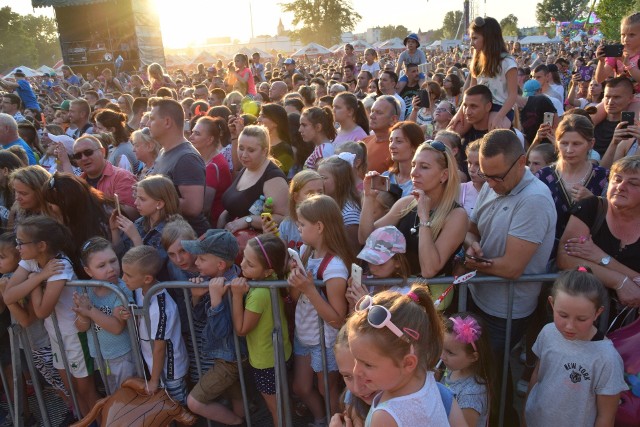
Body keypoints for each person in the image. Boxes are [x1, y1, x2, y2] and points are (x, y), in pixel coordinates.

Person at [464, 129, 556, 424]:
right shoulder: (495, 181)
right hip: (481, 295)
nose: (489, 183)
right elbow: (472, 229)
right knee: (488, 375)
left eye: (496, 177)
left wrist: (473, 264)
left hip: (507, 309)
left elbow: (511, 268)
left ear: (522, 162)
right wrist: (472, 246)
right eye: (484, 175)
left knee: (491, 376)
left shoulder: (535, 200)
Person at [4, 216, 99, 418]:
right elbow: (8, 295)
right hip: (56, 335)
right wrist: (38, 277)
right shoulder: (31, 262)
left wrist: (34, 282)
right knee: (72, 391)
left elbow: (41, 311)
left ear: (41, 245)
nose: (17, 246)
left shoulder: (60, 266)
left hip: (75, 335)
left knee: (86, 391)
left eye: (21, 242)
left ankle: (101, 422)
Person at [524, 269, 627, 427]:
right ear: (552, 303)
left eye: (581, 319)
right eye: (563, 315)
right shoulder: (548, 332)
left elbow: (606, 417)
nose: (570, 326)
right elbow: (538, 374)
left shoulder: (607, 358)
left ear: (597, 313)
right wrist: (526, 415)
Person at [288, 195, 355, 425]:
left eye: (302, 224)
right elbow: (296, 297)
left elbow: (338, 319)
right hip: (304, 334)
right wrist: (296, 281)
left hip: (325, 340)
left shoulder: (335, 266)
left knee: (327, 388)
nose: (298, 227)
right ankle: (321, 419)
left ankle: (341, 422)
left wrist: (309, 290)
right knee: (300, 386)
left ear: (319, 227)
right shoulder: (306, 251)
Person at [348, 286, 453, 426]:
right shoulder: (430, 383)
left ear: (408, 363)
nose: (356, 371)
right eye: (356, 359)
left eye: (368, 364)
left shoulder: (384, 418)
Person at [361, 141, 467, 278]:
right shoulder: (406, 203)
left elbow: (429, 270)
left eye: (424, 167)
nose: (414, 173)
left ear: (444, 175)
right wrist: (368, 198)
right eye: (413, 165)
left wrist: (424, 218)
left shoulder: (456, 215)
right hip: (398, 292)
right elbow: (366, 238)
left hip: (430, 296)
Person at [181, 229, 245, 426]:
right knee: (237, 397)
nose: (195, 262)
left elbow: (222, 331)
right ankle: (242, 418)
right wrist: (196, 296)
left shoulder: (231, 286)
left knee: (194, 402)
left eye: (201, 258)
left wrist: (216, 299)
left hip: (229, 360)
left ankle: (236, 422)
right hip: (223, 356)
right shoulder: (213, 280)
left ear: (220, 265)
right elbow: (199, 318)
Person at [557, 156, 640, 307]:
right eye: (617, 179)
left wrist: (600, 257)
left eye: (633, 183)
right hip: (580, 313)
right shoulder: (591, 208)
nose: (621, 186)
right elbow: (565, 259)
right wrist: (620, 282)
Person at [229, 234, 292, 425]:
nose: (243, 265)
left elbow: (241, 329)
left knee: (276, 409)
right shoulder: (272, 278)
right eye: (244, 258)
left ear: (267, 271)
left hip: (266, 361)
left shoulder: (259, 295)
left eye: (250, 264)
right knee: (281, 404)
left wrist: (237, 296)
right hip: (278, 354)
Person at [121, 245, 188, 403]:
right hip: (155, 367)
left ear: (147, 279)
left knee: (177, 407)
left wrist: (154, 380)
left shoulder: (161, 309)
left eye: (128, 275)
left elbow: (159, 348)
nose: (123, 279)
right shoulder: (140, 290)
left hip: (170, 371)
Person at [535, 115, 609, 251]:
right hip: (547, 252)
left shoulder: (603, 177)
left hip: (589, 253)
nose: (569, 150)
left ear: (591, 144)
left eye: (576, 144)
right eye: (564, 143)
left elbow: (614, 219)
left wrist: (595, 202)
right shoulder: (543, 176)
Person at [73, 237, 135, 392]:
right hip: (100, 357)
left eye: (113, 261)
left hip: (122, 356)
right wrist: (83, 316)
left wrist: (90, 311)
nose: (111, 268)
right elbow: (81, 327)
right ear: (88, 271)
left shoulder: (121, 290)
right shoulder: (85, 290)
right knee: (113, 396)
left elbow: (116, 327)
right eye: (101, 266)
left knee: (128, 395)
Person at [147, 98, 210, 235]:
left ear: (167, 122)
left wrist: (152, 198)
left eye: (152, 119)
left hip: (185, 242)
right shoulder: (164, 150)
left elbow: (193, 207)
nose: (147, 124)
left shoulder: (187, 158)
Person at [220, 125, 288, 232]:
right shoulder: (247, 167)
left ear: (264, 151)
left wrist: (248, 220)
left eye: (251, 150)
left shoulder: (274, 178)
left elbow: (282, 219)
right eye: (241, 148)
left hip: (253, 244)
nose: (244, 155)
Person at [462, 17, 517, 131]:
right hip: (478, 105)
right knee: (456, 128)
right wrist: (459, 114)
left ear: (488, 38)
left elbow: (512, 95)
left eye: (475, 38)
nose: (471, 43)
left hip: (500, 107)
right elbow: (472, 90)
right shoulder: (477, 61)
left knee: (493, 131)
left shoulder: (507, 62)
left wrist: (499, 116)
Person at [64, 134, 137, 217]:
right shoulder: (78, 183)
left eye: (88, 152)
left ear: (102, 152)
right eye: (78, 156)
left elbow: (132, 213)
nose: (83, 158)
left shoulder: (122, 177)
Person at [441, 313, 493, 427]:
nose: (442, 356)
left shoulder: (471, 396)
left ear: (473, 357)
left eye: (450, 352)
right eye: (442, 348)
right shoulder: (454, 366)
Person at [188, 116, 232, 226]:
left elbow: (204, 208)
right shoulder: (210, 158)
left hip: (213, 226)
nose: (190, 137)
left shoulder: (213, 166)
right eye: (192, 132)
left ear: (210, 140)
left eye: (197, 134)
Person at [317, 156, 362, 252]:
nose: (319, 182)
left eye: (323, 178)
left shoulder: (350, 213)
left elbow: (353, 254)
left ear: (340, 181)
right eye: (318, 177)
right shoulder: (325, 204)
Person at [275, 169, 324, 252]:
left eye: (320, 192)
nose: (316, 197)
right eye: (310, 193)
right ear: (296, 197)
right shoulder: (287, 226)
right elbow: (281, 257)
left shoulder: (327, 223)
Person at [594, 12, 640, 93]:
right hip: (618, 97)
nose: (625, 39)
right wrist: (601, 61)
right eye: (623, 35)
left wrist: (628, 65)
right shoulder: (617, 54)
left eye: (632, 35)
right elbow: (599, 79)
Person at [593, 77, 635, 157]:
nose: (610, 102)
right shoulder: (593, 122)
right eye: (607, 97)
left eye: (616, 97)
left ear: (630, 98)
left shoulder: (630, 129)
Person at [380, 121, 423, 198]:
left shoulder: (421, 183)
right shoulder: (385, 177)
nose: (392, 146)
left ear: (414, 147)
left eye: (399, 141)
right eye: (390, 141)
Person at [94, 109, 139, 174]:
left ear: (112, 129)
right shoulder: (115, 146)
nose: (96, 131)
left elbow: (123, 179)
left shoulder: (122, 152)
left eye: (100, 128)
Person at [363, 96, 400, 173]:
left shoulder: (397, 149)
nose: (372, 116)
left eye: (379, 113)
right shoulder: (364, 142)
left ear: (393, 119)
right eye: (372, 111)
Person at [258, 104, 294, 176]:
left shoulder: (284, 149)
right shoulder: (258, 142)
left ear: (275, 122)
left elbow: (278, 175)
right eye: (259, 115)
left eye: (263, 116)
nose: (258, 119)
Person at [459, 140, 485, 218]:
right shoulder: (460, 189)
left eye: (478, 164)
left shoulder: (497, 192)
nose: (472, 169)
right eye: (469, 163)